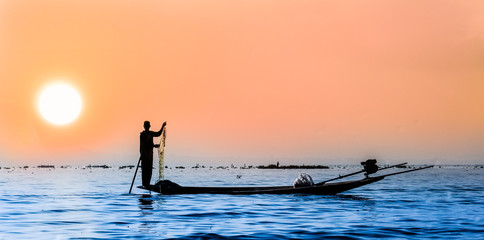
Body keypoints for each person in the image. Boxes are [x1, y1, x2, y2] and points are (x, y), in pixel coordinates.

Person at [140, 120, 166, 188]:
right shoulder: (142, 134)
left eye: (148, 126)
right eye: (146, 126)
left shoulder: (151, 133)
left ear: (149, 126)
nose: (147, 127)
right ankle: (145, 184)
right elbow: (142, 146)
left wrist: (162, 126)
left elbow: (158, 134)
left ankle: (147, 183)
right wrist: (141, 156)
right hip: (145, 156)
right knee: (145, 171)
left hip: (149, 155)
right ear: (144, 126)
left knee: (149, 170)